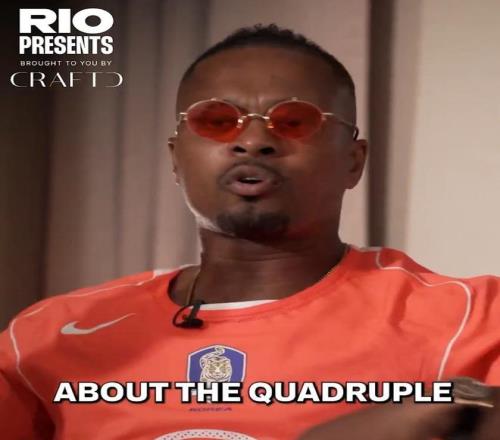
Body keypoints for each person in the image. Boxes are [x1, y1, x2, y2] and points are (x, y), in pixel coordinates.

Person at [1, 24, 499, 440]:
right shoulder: (49, 335)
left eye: (294, 121)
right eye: (218, 120)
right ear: (176, 158)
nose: (254, 140)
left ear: (353, 160)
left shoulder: (470, 319)